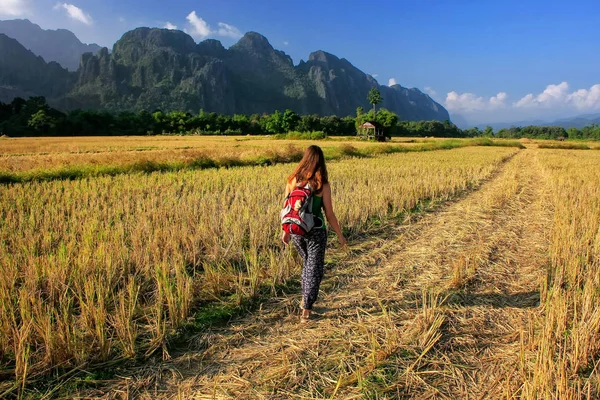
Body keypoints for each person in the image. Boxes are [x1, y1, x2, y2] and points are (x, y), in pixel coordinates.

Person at [281, 145, 347, 322]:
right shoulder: (322, 184)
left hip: (297, 230)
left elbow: (286, 208)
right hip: (316, 231)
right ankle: (306, 308)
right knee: (314, 269)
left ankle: (305, 299)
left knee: (307, 265)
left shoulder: (292, 180)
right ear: (321, 161)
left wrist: (286, 231)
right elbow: (329, 214)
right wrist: (340, 235)